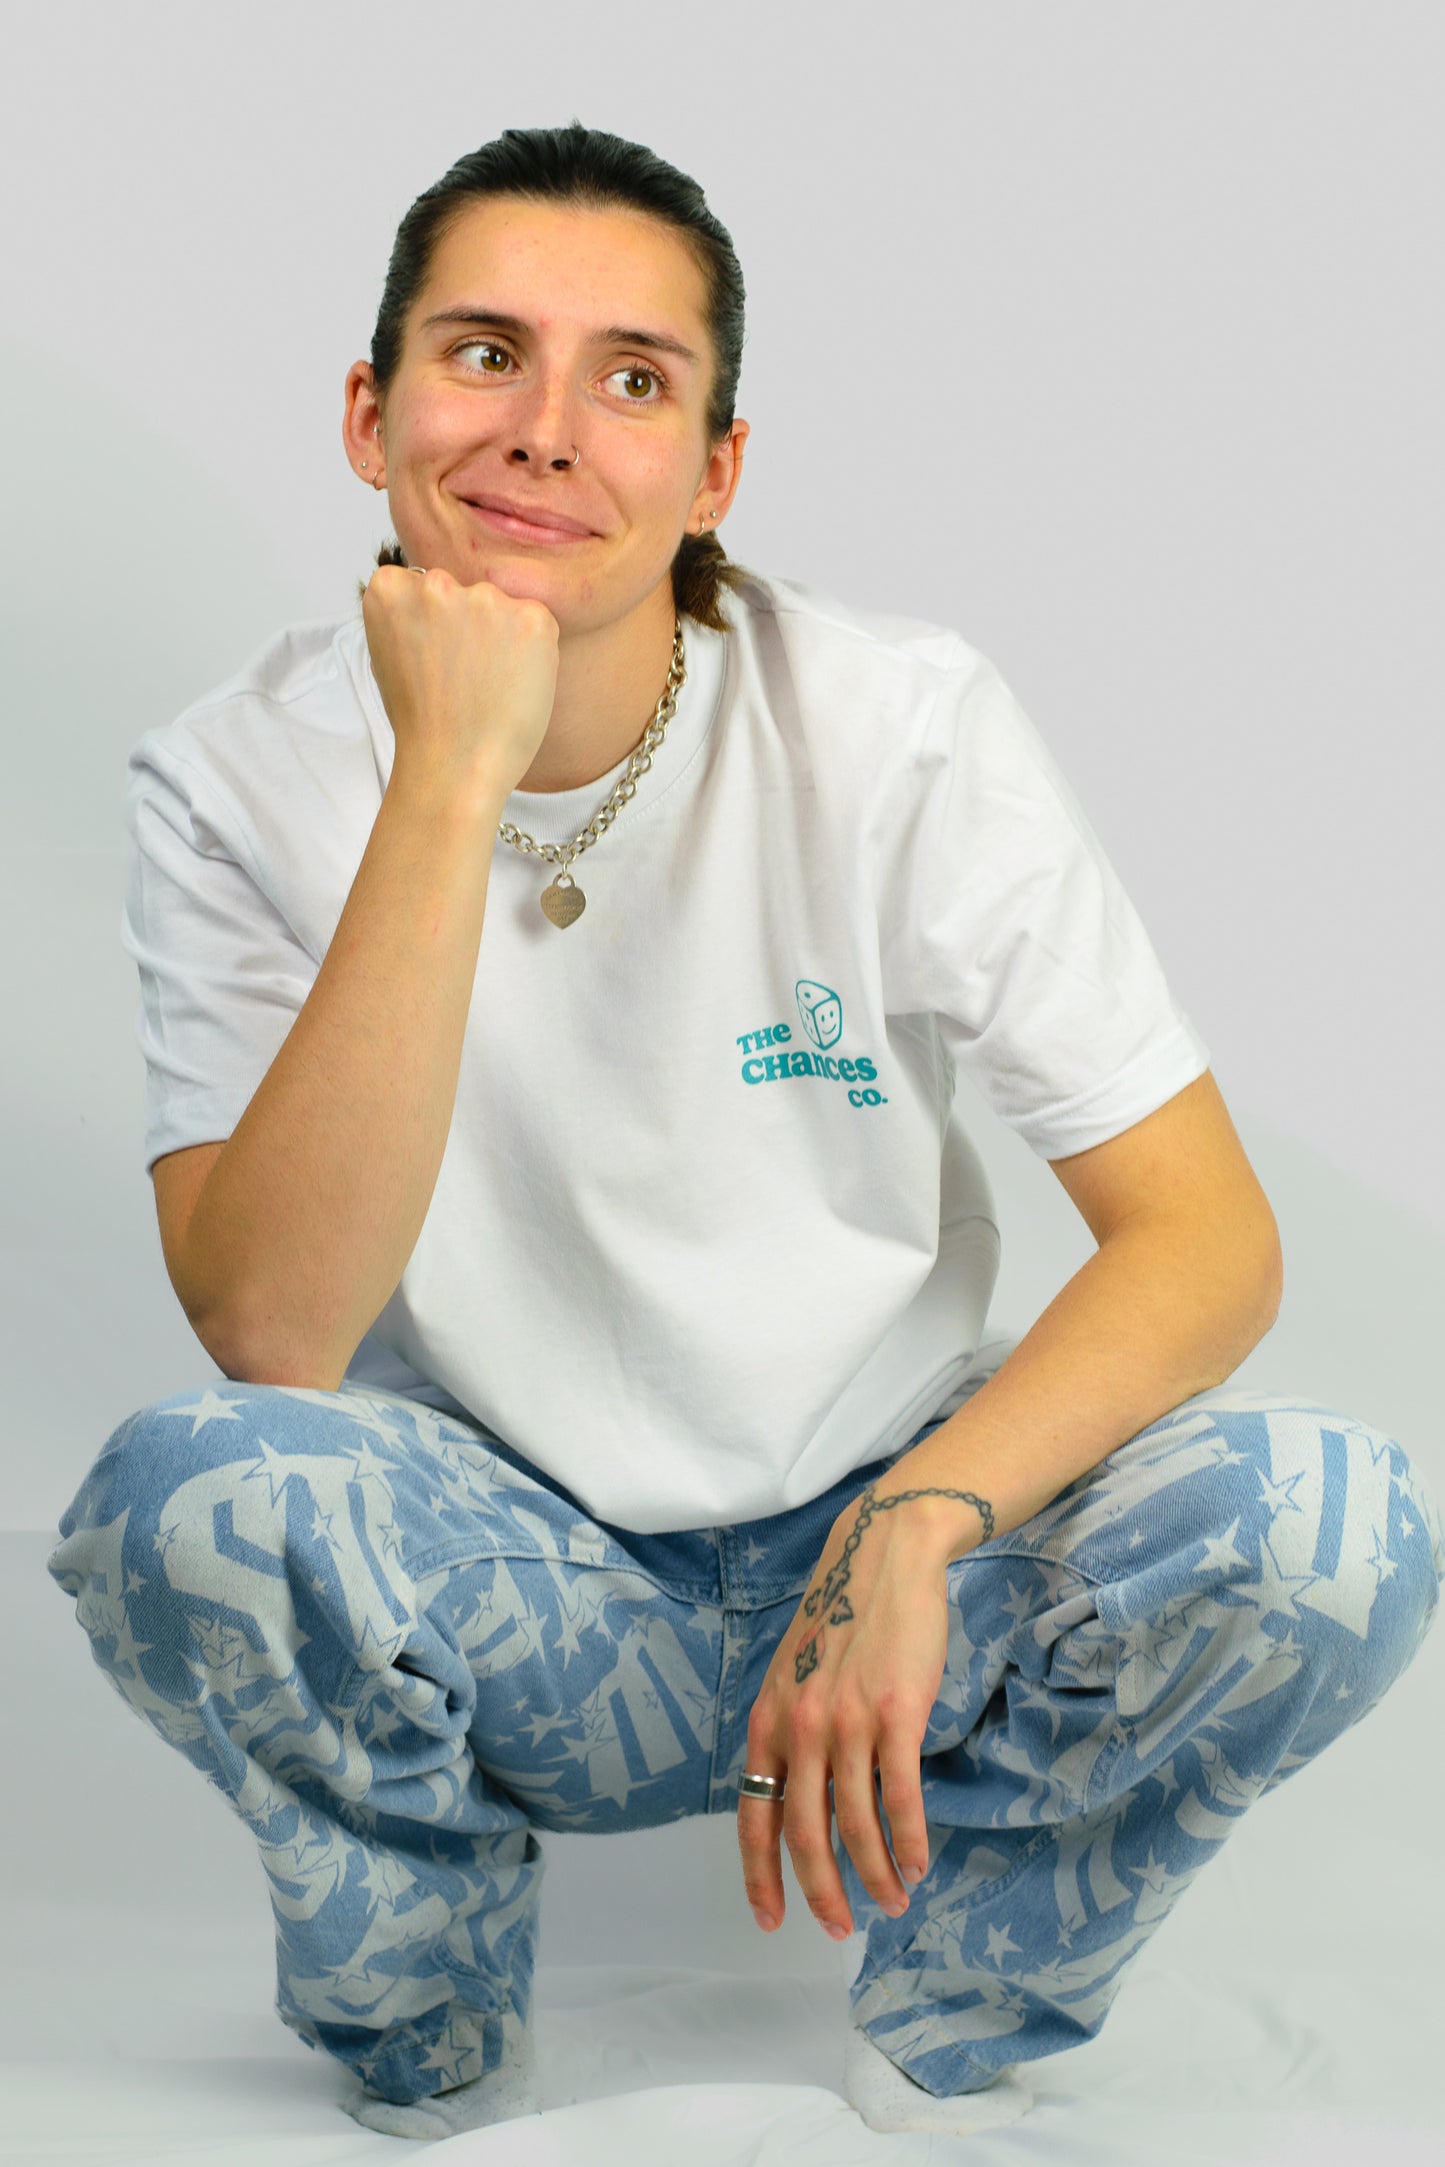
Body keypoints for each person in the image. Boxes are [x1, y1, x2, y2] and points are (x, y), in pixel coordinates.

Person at [46, 121, 1444, 2144]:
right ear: (371, 412)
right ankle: (429, 2012)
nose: (546, 430)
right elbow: (271, 1328)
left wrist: (922, 1519)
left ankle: (962, 2003)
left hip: (892, 1559)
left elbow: (1208, 1237)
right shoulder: (226, 779)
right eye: (482, 353)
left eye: (634, 379)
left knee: (1333, 1515)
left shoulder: (898, 723)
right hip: (519, 1578)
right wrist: (455, 773)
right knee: (192, 1491)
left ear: (715, 470)